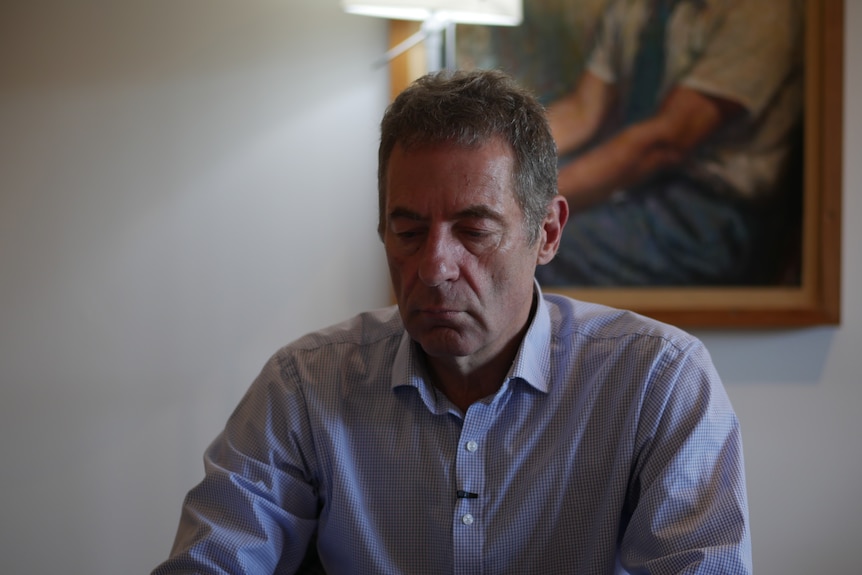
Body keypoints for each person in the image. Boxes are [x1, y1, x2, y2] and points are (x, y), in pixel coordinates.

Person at [152, 69, 751, 574]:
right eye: (409, 231)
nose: (434, 265)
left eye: (474, 230)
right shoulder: (305, 386)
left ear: (547, 232)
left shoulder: (658, 380)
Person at [535, 0, 804, 286]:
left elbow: (665, 143)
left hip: (713, 210)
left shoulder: (759, 11)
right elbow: (582, 110)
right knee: (518, 227)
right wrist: (501, 151)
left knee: (542, 249)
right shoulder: (636, 7)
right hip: (642, 185)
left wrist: (526, 198)